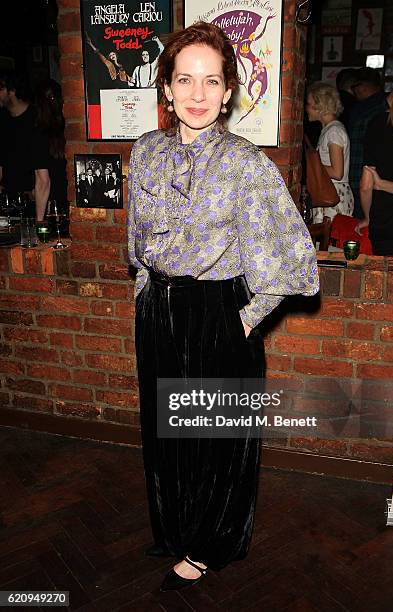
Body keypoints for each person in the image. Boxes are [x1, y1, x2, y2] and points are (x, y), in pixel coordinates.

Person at [127, 22, 319, 592]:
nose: (197, 93)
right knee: (166, 432)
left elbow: (292, 257)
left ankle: (211, 545)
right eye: (184, 79)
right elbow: (136, 238)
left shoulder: (246, 164)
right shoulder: (144, 152)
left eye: (211, 81)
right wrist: (144, 290)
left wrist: (242, 319)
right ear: (166, 87)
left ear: (229, 91)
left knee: (215, 439)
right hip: (158, 308)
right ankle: (177, 526)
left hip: (218, 313)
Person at [356, 57, 393, 256]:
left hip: (383, 223)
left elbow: (366, 185)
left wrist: (368, 217)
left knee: (383, 283)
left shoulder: (377, 123)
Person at [0, 71, 50, 221]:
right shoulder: (2, 120)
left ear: (12, 91)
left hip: (32, 204)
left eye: (0, 89)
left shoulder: (36, 119)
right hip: (7, 205)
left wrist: (39, 221)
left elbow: (43, 178)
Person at [306, 82, 354, 223]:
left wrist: (312, 167)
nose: (307, 108)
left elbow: (337, 172)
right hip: (331, 193)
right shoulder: (330, 130)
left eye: (309, 104)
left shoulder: (334, 132)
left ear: (320, 106)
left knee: (332, 242)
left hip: (334, 195)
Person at [348, 67, 387, 218]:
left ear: (363, 86)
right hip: (377, 179)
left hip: (363, 176)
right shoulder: (384, 107)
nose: (355, 92)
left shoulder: (364, 110)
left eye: (355, 87)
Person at [34, 79, 69, 231]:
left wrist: (39, 222)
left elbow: (43, 182)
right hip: (72, 203)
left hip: (54, 209)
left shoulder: (39, 134)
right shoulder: (69, 128)